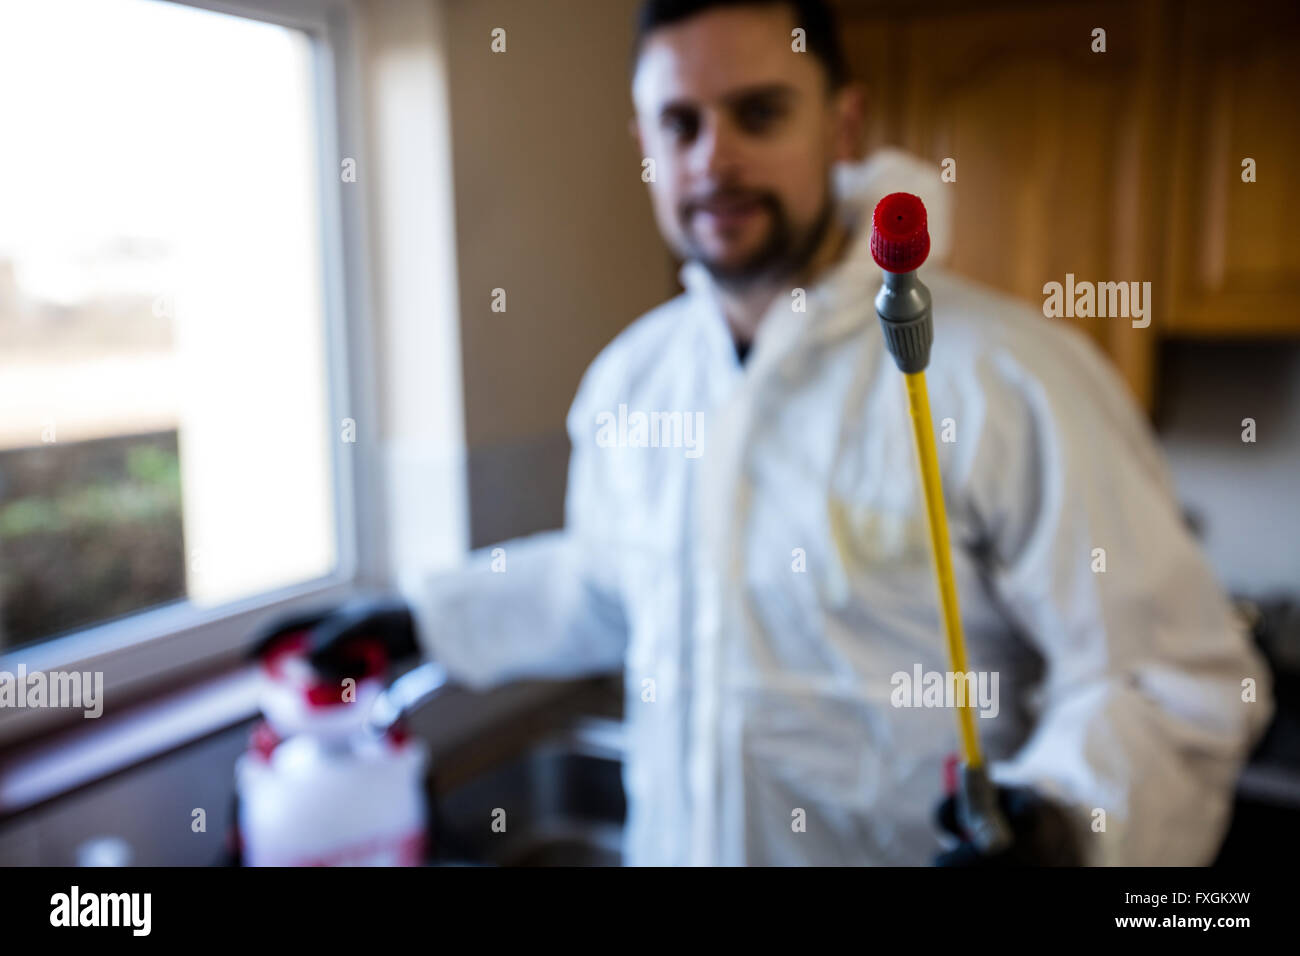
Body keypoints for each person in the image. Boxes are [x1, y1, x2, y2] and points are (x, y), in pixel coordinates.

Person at [398, 0, 1272, 865]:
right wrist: (427, 619)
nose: (714, 158)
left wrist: (1067, 827)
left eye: (759, 113)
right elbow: (608, 587)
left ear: (843, 125)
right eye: (680, 123)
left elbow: (1166, 682)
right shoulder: (633, 381)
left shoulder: (1010, 378)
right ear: (644, 147)